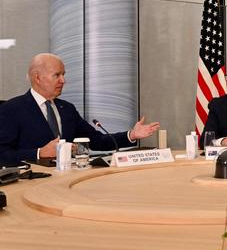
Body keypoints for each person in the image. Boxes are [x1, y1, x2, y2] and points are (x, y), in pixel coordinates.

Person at [0, 53, 160, 166]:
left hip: (66, 182)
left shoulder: (67, 109)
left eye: (63, 74)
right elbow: (2, 154)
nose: (63, 80)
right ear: (37, 77)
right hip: (31, 185)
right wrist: (39, 153)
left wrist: (131, 135)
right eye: (57, 75)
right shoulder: (12, 109)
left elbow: (96, 141)